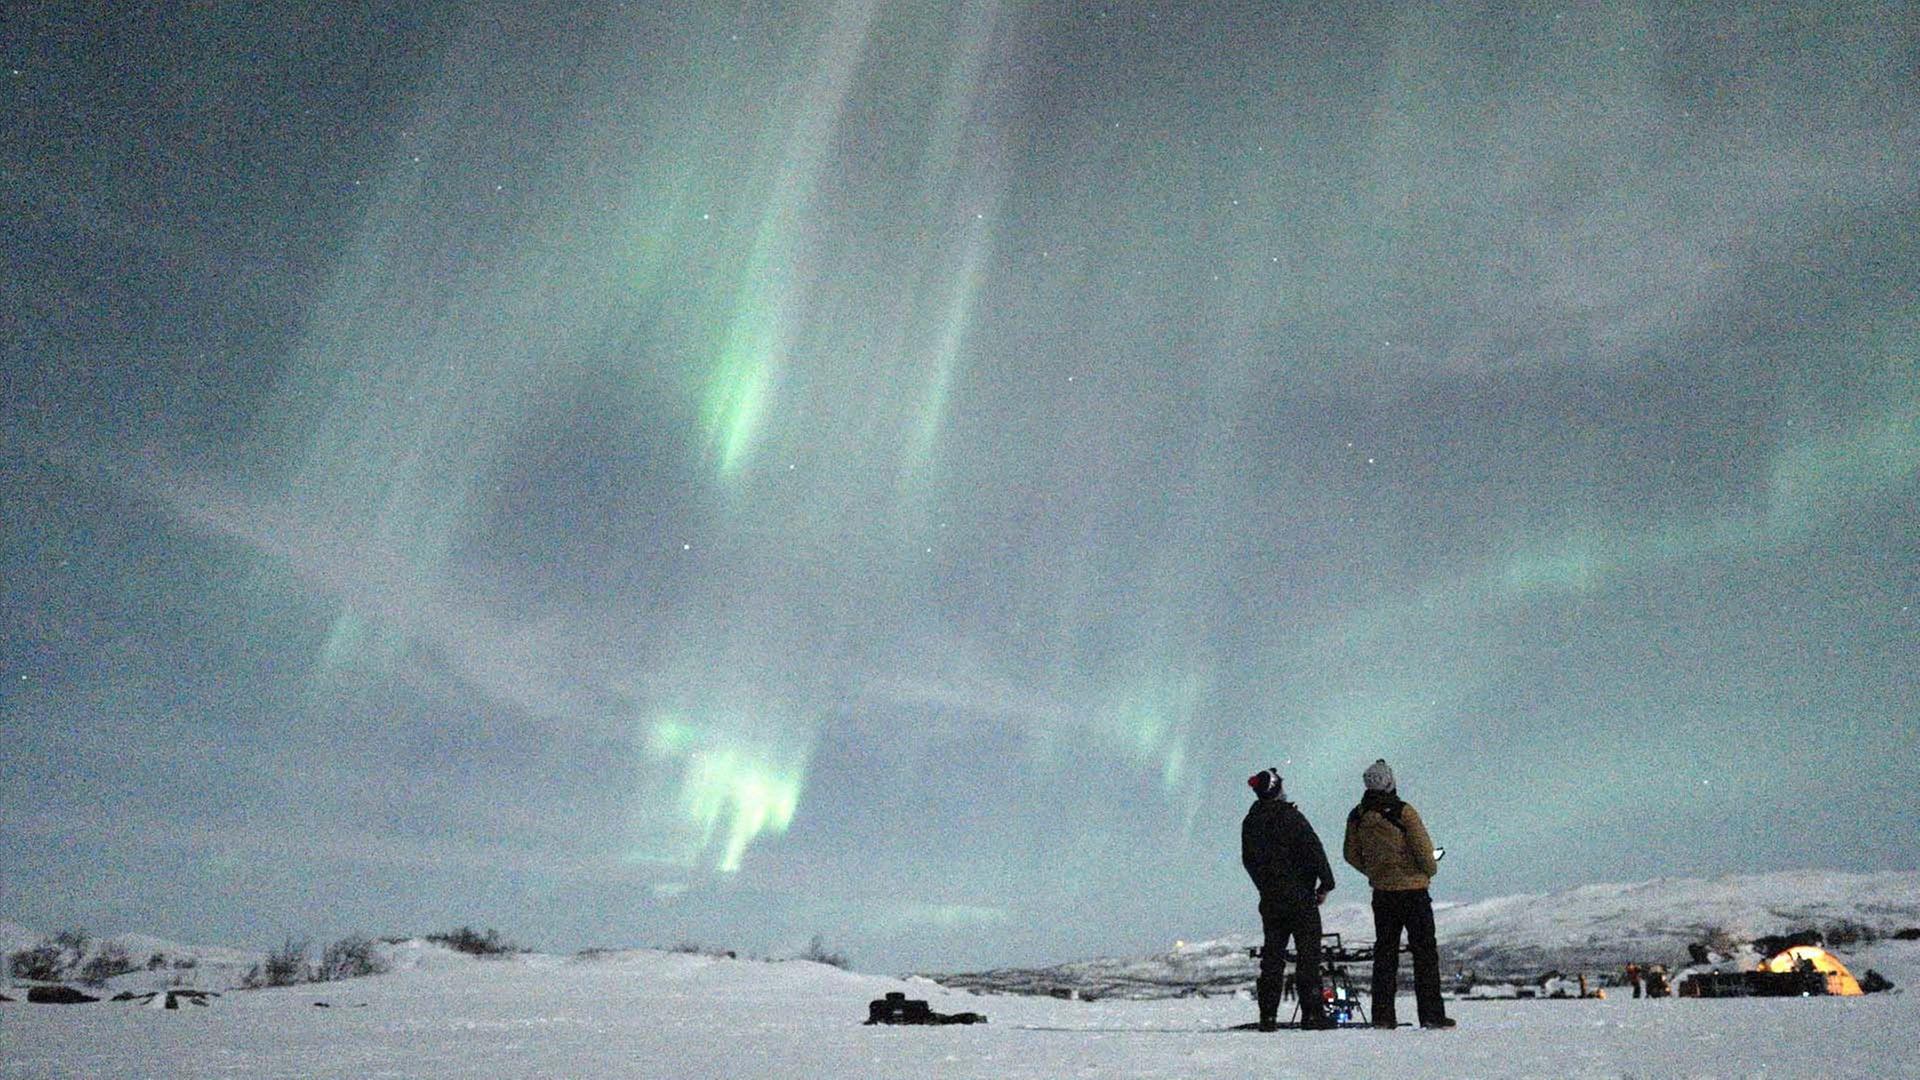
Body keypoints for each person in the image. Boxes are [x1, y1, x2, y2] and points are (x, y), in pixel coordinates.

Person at [1343, 758, 1454, 1029]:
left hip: (1382, 894)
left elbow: (1350, 854)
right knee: (1424, 955)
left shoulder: (1357, 816)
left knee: (1385, 955)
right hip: (1414, 891)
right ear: (1390, 782)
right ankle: (1431, 1014)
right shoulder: (1404, 811)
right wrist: (1427, 871)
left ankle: (1383, 1016)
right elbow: (1424, 852)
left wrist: (1374, 872)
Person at [1242, 767, 1337, 1031]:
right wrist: (1326, 883)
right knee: (1308, 956)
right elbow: (1314, 849)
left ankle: (1268, 1016)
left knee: (1272, 958)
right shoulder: (1291, 817)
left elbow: (1248, 861)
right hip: (1300, 898)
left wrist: (1265, 887)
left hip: (1271, 900)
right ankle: (1312, 1014)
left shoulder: (1251, 822)